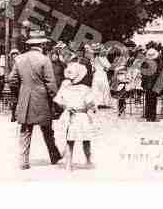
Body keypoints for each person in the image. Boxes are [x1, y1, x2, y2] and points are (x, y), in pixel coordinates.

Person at [9, 30, 62, 170]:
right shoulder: (45, 60)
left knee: (25, 130)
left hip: (25, 99)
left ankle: (24, 160)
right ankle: (54, 155)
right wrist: (55, 99)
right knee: (47, 129)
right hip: (42, 99)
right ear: (42, 44)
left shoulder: (19, 59)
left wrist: (21, 92)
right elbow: (51, 83)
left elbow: (12, 80)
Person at [54, 62, 97, 171]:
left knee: (70, 141)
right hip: (82, 116)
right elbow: (90, 103)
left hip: (70, 116)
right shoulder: (85, 89)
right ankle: (88, 160)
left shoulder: (65, 87)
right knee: (86, 140)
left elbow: (58, 101)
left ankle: (68, 164)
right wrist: (93, 108)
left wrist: (67, 107)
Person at [142, 48, 163, 122]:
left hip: (148, 84)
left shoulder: (145, 63)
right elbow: (160, 72)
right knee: (153, 100)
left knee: (148, 99)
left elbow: (143, 73)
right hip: (154, 83)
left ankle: (148, 116)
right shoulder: (158, 63)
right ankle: (152, 116)